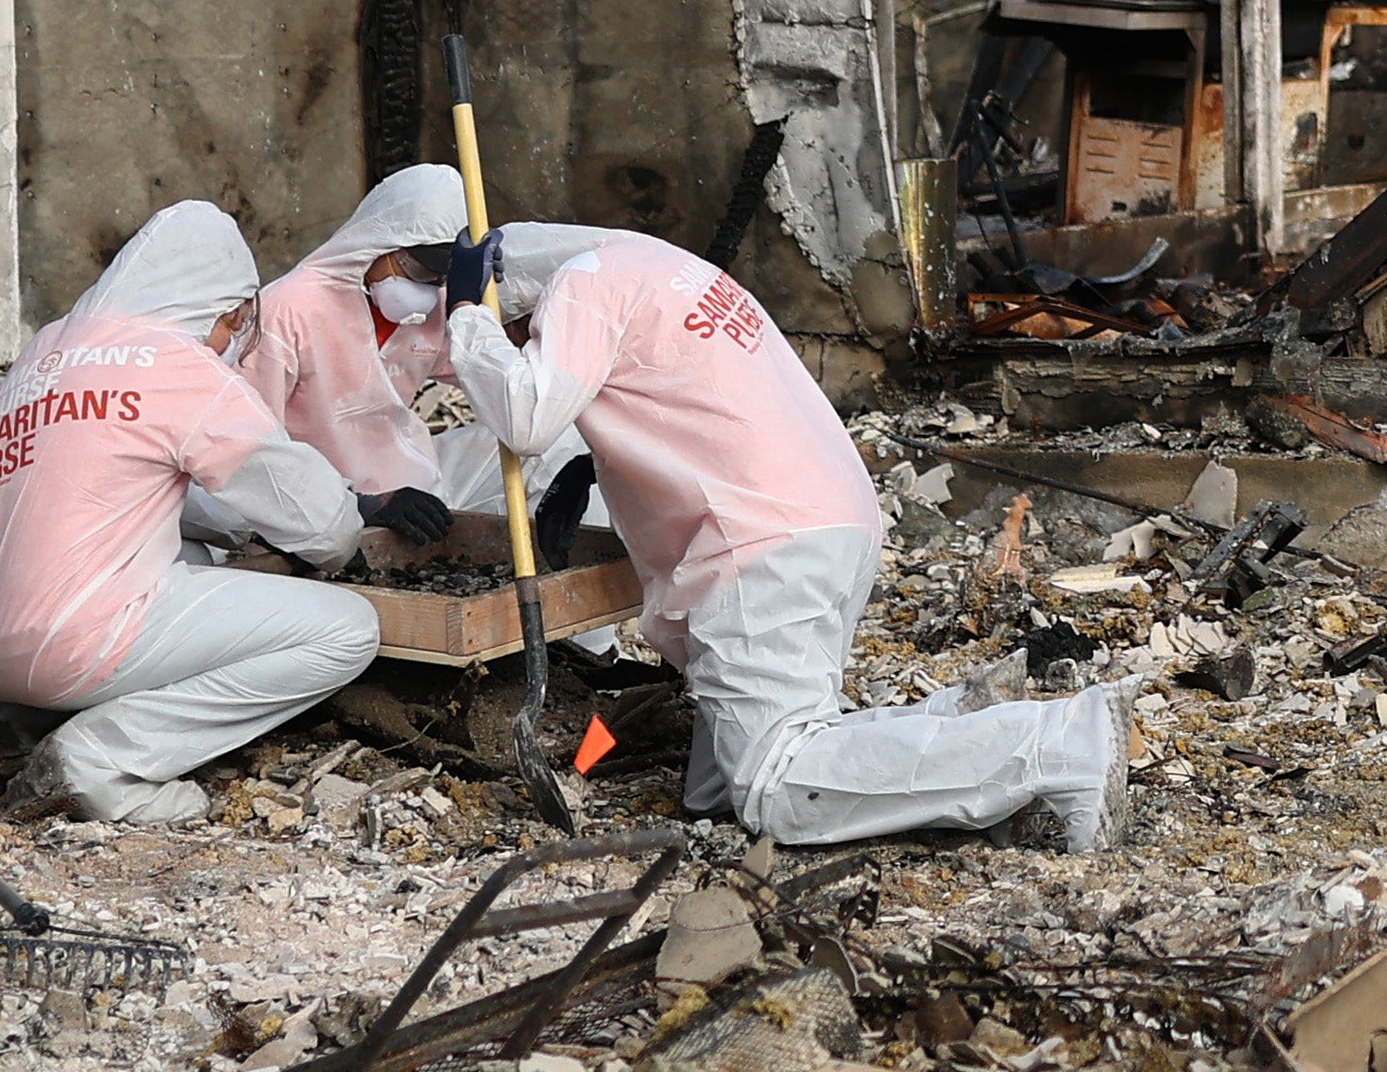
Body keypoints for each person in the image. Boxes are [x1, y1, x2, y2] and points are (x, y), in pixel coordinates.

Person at [396, 221, 1126, 847]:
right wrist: (592, 464)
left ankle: (1055, 742)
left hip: (764, 545)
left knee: (773, 782)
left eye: (524, 337)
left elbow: (524, 412)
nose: (532, 346)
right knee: (714, 791)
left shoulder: (579, 284)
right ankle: (961, 722)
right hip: (827, 519)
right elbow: (688, 394)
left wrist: (468, 316)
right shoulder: (656, 267)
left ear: (516, 303)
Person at [0, 204, 389, 827]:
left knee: (193, 557)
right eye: (234, 324)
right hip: (68, 642)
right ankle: (100, 761)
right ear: (224, 307)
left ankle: (1, 720)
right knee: (348, 629)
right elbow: (322, 526)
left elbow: (118, 487)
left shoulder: (46, 351)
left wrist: (236, 533)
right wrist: (337, 541)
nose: (230, 341)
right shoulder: (178, 364)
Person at [237, 164, 489, 527]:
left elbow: (490, 372)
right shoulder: (288, 311)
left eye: (440, 277)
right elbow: (251, 447)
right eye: (419, 271)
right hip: (318, 508)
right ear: (376, 246)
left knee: (553, 448)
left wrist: (484, 304)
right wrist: (356, 505)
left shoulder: (438, 306)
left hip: (414, 487)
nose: (428, 287)